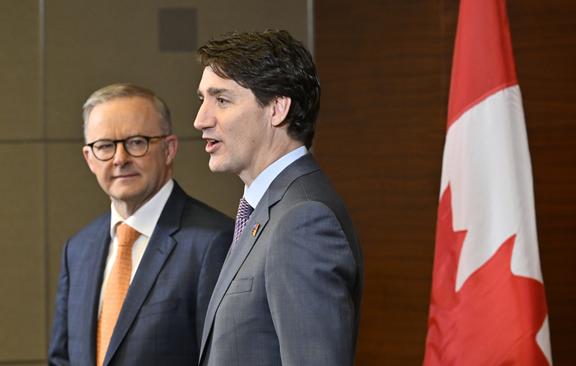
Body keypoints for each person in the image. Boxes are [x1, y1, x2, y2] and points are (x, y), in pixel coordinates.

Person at [193, 30, 364, 366]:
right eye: (202, 99)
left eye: (222, 100)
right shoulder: (267, 211)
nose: (201, 120)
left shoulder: (304, 220)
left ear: (277, 108)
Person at [48, 83, 234, 366]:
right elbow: (61, 359)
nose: (120, 159)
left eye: (136, 142)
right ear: (89, 158)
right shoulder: (78, 249)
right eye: (105, 146)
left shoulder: (214, 242)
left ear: (169, 149)